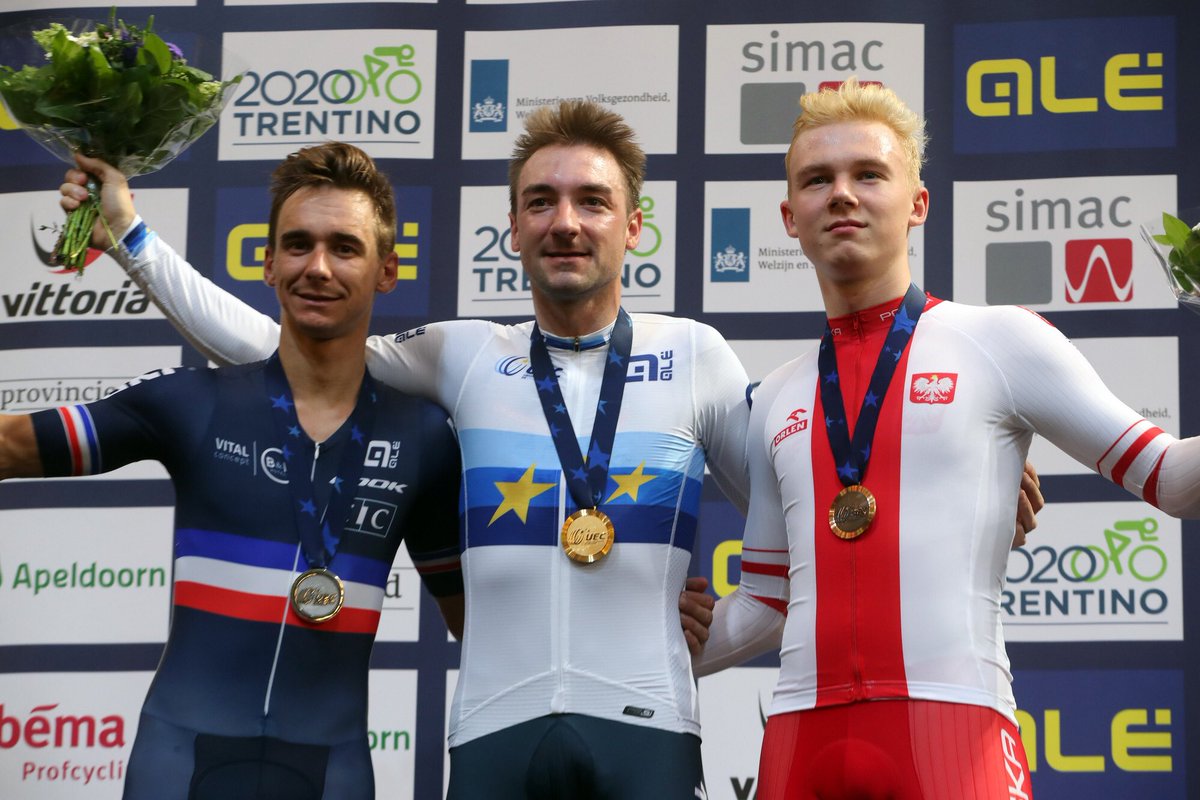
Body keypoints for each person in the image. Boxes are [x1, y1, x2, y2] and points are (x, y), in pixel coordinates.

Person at [56, 101, 1040, 799]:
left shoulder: (696, 356)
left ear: (633, 225)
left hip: (652, 735)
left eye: (592, 200)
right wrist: (132, 237)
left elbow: (818, 500)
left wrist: (949, 465)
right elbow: (282, 346)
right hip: (493, 735)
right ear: (514, 229)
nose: (566, 221)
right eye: (541, 200)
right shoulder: (460, 356)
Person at [693, 78, 1200, 799]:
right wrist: (619, 657)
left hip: (953, 734)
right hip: (799, 741)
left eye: (870, 174)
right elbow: (764, 605)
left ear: (918, 204)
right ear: (789, 216)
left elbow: (1171, 479)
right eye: (817, 180)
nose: (842, 194)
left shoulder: (999, 342)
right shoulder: (775, 397)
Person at [0, 142, 466, 799]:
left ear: (387, 270)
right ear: (268, 262)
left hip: (331, 773)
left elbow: (477, 624)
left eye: (345, 247)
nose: (318, 267)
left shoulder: (424, 438)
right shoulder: (190, 403)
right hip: (177, 764)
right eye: (298, 245)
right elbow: (11, 445)